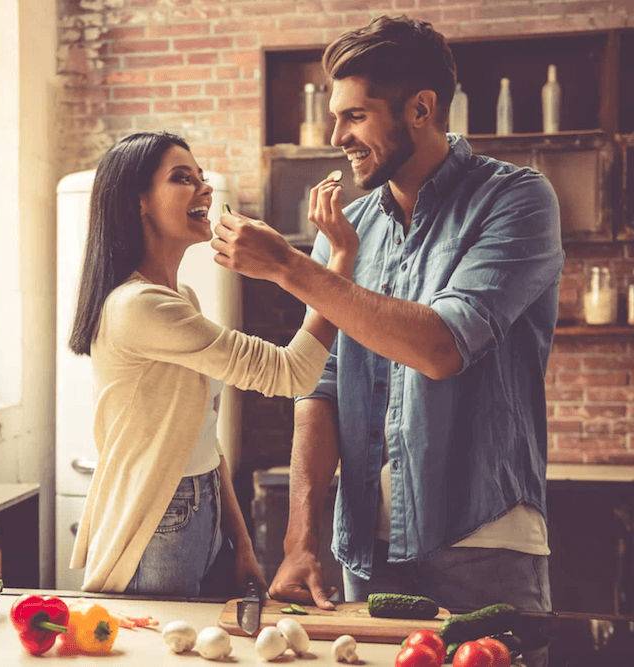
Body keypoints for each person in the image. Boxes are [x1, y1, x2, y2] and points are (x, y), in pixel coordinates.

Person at [211, 15, 564, 614]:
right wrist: (302, 537)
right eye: (335, 117)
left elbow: (441, 347)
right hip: (366, 550)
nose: (337, 135)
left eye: (355, 116)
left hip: (483, 539)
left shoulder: (517, 200)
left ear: (420, 108)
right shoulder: (343, 235)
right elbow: (319, 388)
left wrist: (289, 267)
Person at [67, 131, 359, 597]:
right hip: (158, 518)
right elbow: (293, 373)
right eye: (183, 178)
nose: (204, 188)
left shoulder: (180, 299)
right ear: (138, 201)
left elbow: (202, 435)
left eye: (201, 177)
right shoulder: (140, 307)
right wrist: (338, 260)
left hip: (198, 506)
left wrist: (238, 542)